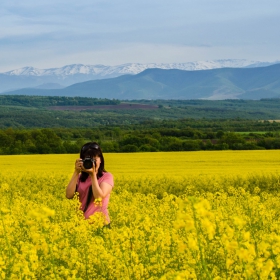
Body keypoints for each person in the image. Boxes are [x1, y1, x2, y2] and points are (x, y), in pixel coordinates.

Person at [66, 142, 114, 226]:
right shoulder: (80, 177)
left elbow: (99, 197)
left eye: (94, 160)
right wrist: (76, 171)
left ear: (101, 160)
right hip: (81, 225)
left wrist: (93, 175)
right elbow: (69, 195)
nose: (91, 163)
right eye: (87, 160)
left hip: (101, 224)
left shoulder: (106, 177)